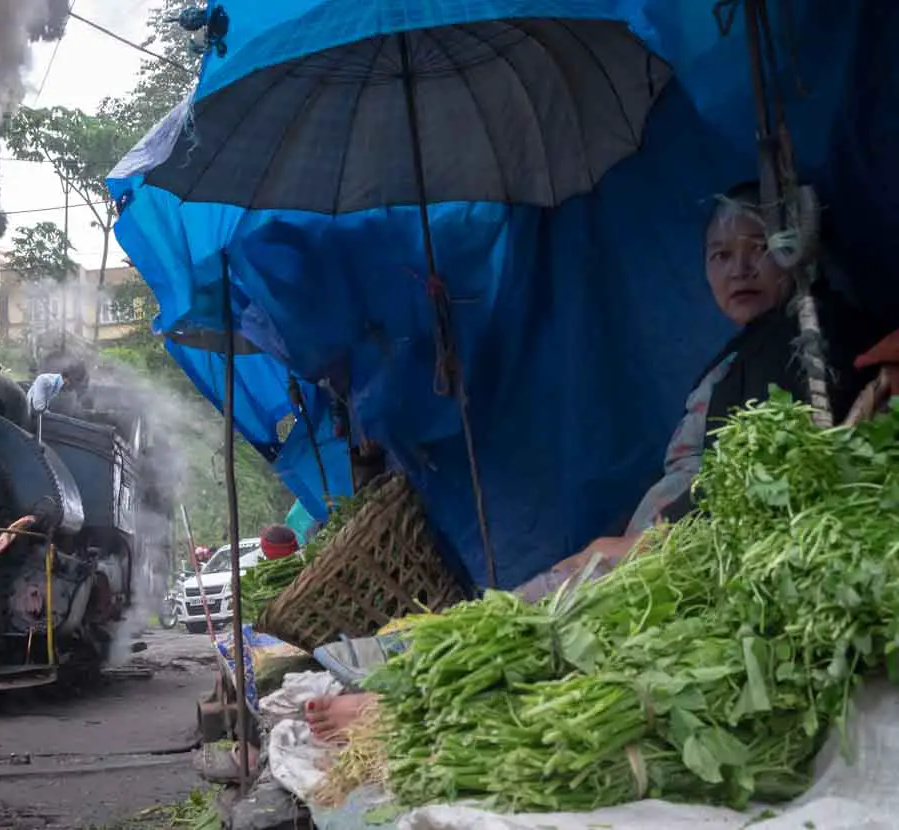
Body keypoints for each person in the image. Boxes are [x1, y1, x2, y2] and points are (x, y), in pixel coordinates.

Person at [304, 181, 889, 742]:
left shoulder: (805, 333)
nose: (739, 268)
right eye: (720, 254)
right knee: (574, 579)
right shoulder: (754, 342)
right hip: (682, 533)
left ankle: (403, 697)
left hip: (708, 546)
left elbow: (762, 472)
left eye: (760, 248)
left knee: (583, 596)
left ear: (799, 243)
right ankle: (415, 659)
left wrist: (654, 539)